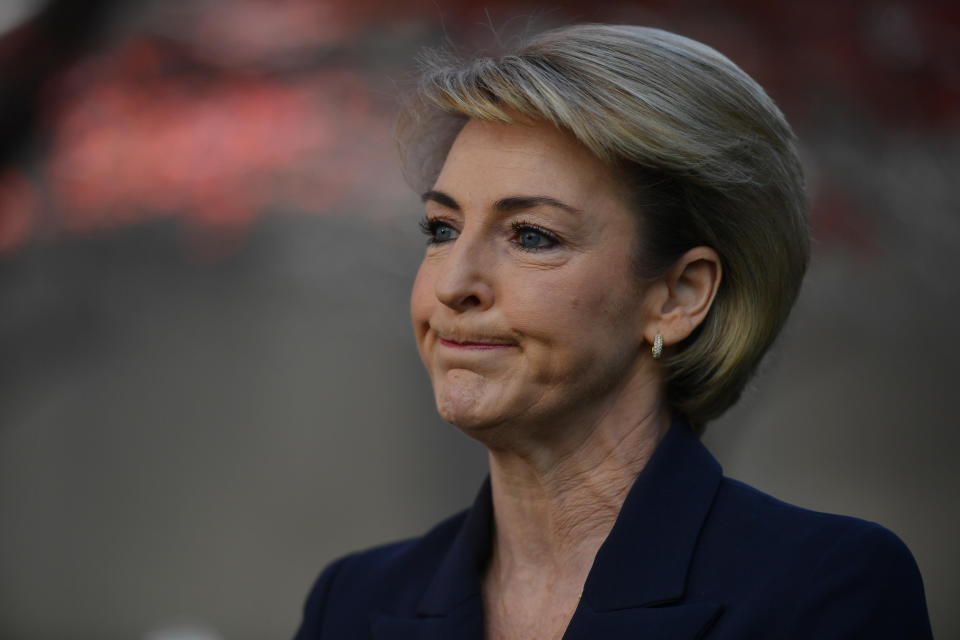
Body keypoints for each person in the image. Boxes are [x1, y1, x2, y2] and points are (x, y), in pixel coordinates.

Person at [293, 24, 932, 639]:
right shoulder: (351, 603)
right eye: (441, 228)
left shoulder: (824, 590)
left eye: (531, 236)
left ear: (679, 296)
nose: (453, 283)